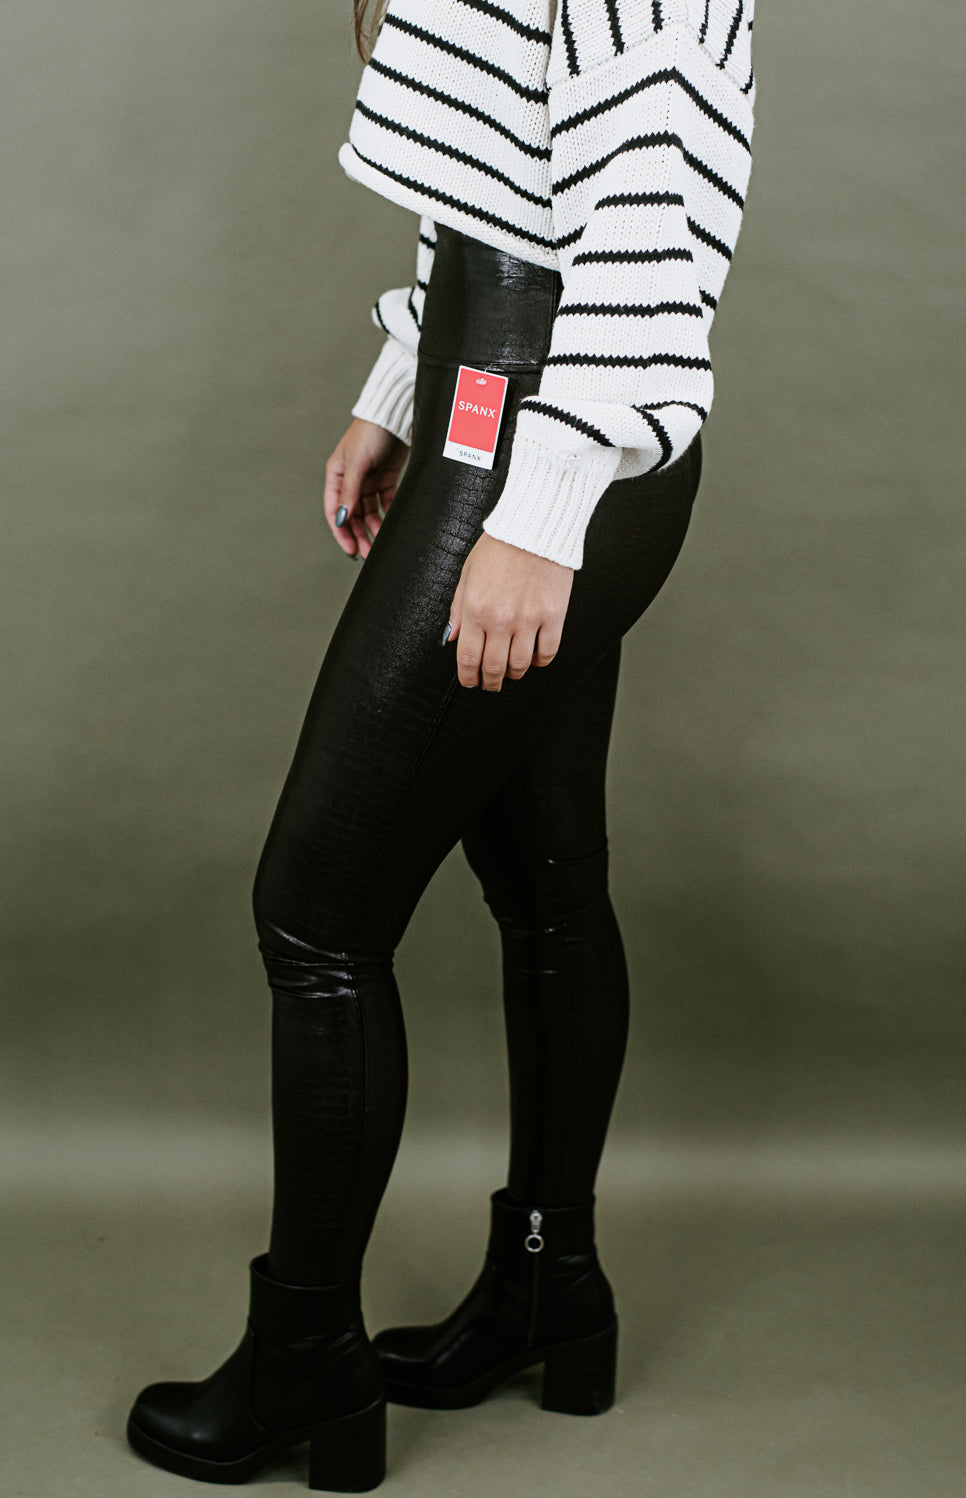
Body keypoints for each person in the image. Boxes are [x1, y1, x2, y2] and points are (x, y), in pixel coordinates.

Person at [125, 0, 756, 1489]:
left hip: (553, 436)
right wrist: (401, 385)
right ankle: (550, 1287)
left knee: (316, 915)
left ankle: (307, 1358)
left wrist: (542, 514)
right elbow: (491, 168)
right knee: (547, 884)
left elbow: (647, 215)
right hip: (496, 401)